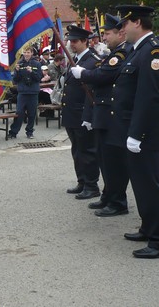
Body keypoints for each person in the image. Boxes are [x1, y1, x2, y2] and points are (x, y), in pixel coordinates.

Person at [107, 4, 159, 259]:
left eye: (124, 24)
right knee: (141, 184)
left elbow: (149, 98)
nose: (121, 29)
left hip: (144, 134)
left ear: (137, 23)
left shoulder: (153, 51)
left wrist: (137, 134)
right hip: (133, 131)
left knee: (150, 186)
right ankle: (148, 227)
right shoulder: (139, 51)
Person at [71, 14, 132, 217]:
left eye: (107, 33)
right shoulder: (115, 52)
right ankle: (108, 195)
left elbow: (103, 75)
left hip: (111, 114)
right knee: (104, 159)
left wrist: (83, 74)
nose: (104, 38)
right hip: (103, 113)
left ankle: (117, 201)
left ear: (119, 33)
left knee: (113, 162)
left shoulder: (121, 53)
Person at [61, 25, 101, 200]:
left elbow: (91, 91)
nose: (72, 44)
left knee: (87, 151)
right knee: (77, 150)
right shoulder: (76, 60)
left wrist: (89, 116)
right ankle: (82, 181)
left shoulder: (92, 61)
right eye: (70, 41)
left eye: (75, 41)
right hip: (72, 114)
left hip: (82, 115)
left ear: (85, 41)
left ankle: (92, 185)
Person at [8, 47, 43, 139]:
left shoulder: (37, 64)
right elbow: (15, 80)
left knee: (32, 113)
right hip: (22, 92)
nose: (26, 54)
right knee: (19, 112)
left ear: (31, 53)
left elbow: (39, 78)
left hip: (33, 92)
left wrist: (32, 72)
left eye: (28, 52)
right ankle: (13, 132)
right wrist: (17, 71)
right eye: (25, 52)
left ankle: (30, 132)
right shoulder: (19, 63)